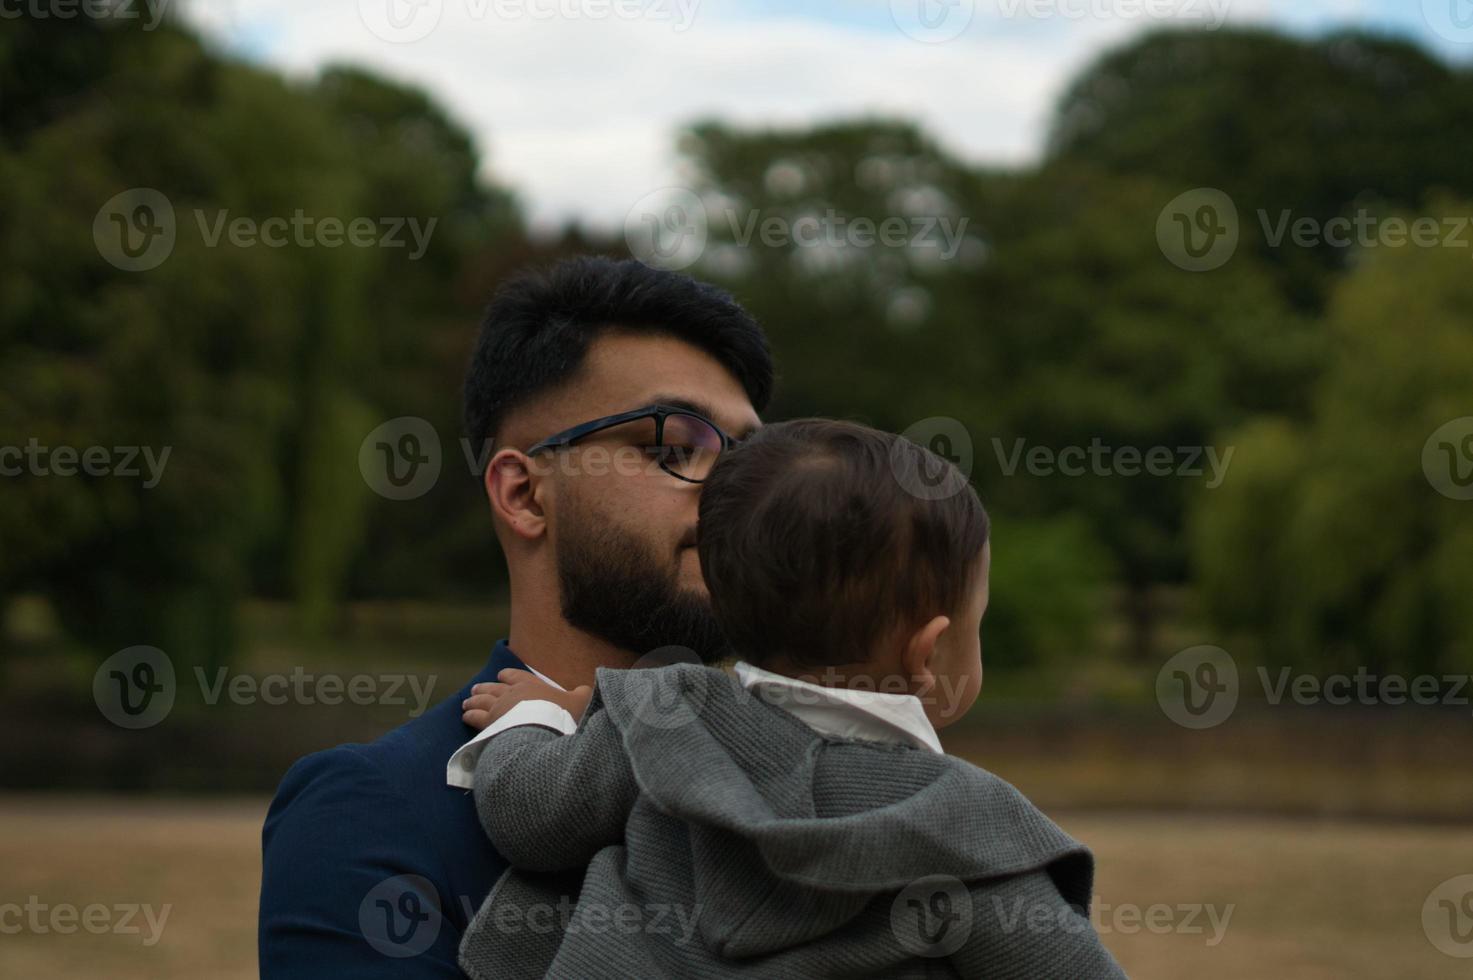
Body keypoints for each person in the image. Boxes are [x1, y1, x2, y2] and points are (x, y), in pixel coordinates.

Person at [455, 418, 1126, 979]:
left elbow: (529, 814)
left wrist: (534, 718)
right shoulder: (968, 831)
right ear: (928, 654)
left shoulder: (663, 721)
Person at [257, 256, 773, 977]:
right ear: (526, 495)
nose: (732, 496)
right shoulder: (372, 813)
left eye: (749, 461)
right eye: (673, 449)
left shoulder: (802, 781)